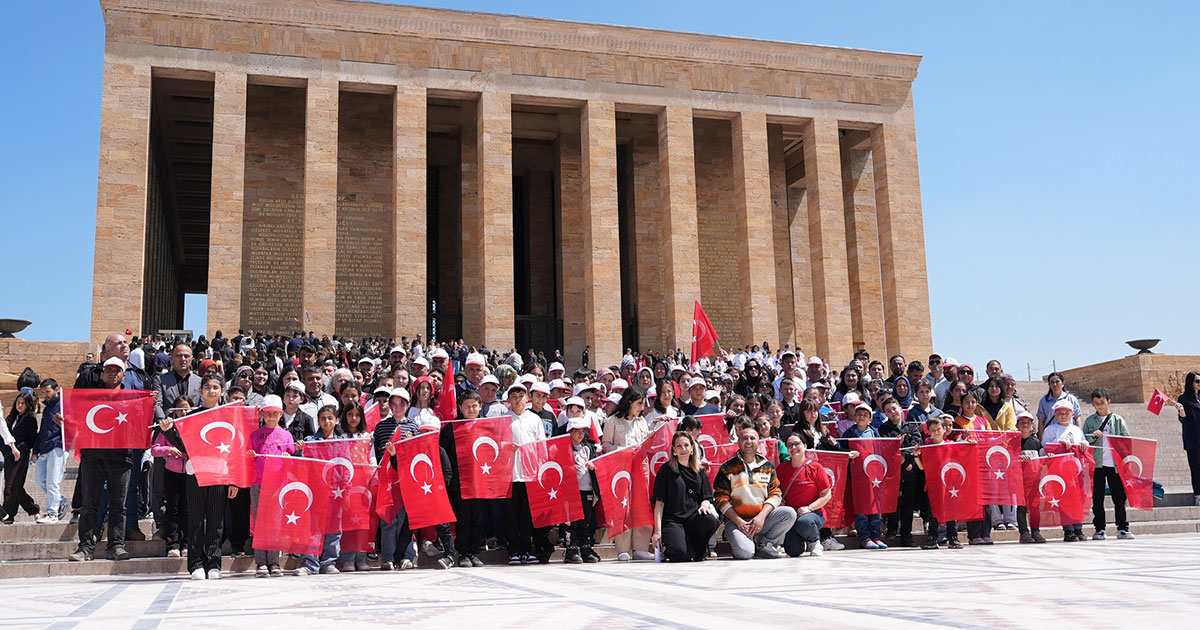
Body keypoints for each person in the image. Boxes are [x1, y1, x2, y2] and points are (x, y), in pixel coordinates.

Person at [69, 358, 135, 562]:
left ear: (124, 375)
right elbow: (75, 417)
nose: (113, 373)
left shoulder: (133, 400)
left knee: (118, 504)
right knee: (89, 503)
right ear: (102, 373)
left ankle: (116, 546)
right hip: (93, 455)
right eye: (109, 370)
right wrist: (64, 420)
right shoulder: (90, 398)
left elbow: (140, 423)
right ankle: (85, 548)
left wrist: (149, 402)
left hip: (121, 457)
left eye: (117, 370)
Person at [712, 418, 796, 560]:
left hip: (761, 519)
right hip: (737, 522)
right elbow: (721, 499)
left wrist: (760, 517)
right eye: (745, 438)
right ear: (738, 442)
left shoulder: (767, 466)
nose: (749, 441)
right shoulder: (728, 467)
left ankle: (764, 544)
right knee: (744, 554)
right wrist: (739, 521)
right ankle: (746, 543)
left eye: (752, 438)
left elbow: (775, 494)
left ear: (758, 442)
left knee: (789, 513)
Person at [602, 385, 653, 561]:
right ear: (629, 402)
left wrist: (650, 438)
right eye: (639, 403)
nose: (642, 407)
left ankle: (641, 548)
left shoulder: (642, 421)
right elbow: (605, 445)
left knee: (642, 505)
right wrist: (622, 450)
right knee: (623, 506)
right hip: (621, 469)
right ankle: (622, 548)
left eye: (643, 403)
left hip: (640, 467)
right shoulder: (612, 421)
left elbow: (645, 446)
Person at [651, 431, 720, 562]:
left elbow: (707, 498)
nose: (683, 449)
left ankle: (700, 547)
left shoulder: (700, 471)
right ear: (674, 450)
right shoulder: (666, 470)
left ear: (692, 448)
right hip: (673, 521)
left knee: (710, 519)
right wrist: (657, 532)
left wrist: (704, 506)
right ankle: (670, 547)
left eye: (686, 445)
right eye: (679, 446)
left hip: (693, 519)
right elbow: (659, 503)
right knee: (681, 555)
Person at [505, 383, 553, 564]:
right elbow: (497, 444)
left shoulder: (534, 419)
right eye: (514, 397)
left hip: (530, 474)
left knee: (527, 515)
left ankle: (526, 549)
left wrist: (541, 470)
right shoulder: (504, 419)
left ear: (527, 399)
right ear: (509, 400)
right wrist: (506, 446)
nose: (518, 400)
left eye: (521, 396)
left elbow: (542, 446)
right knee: (511, 515)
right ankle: (513, 551)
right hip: (510, 475)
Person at [249, 395, 294, 577]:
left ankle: (274, 562)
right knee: (260, 523)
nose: (271, 417)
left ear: (281, 414)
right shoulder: (255, 435)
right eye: (268, 414)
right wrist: (249, 455)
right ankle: (261, 562)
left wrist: (289, 457)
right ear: (261, 414)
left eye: (275, 413)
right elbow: (248, 458)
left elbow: (292, 460)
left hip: (277, 485)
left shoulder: (286, 435)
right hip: (258, 483)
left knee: (275, 523)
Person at [1082, 388, 1133, 540]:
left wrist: (1115, 440)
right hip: (1097, 464)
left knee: (1119, 497)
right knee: (1097, 498)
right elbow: (1084, 440)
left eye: (1102, 402)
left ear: (1108, 402)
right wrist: (1093, 436)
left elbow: (1126, 439)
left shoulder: (1117, 420)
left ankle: (1122, 528)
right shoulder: (1090, 421)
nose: (1100, 405)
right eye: (1096, 403)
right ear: (1092, 404)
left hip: (1114, 464)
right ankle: (1099, 529)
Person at [299, 405, 344, 574]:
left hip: (335, 492)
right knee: (312, 528)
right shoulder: (310, 441)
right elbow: (302, 465)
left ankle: (328, 562)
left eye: (330, 418)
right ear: (318, 421)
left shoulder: (342, 442)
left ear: (337, 420)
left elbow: (346, 467)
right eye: (323, 418)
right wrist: (299, 450)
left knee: (334, 529)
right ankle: (310, 563)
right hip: (315, 491)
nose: (327, 421)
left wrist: (345, 490)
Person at [878, 396, 926, 547]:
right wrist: (895, 445)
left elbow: (916, 444)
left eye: (894, 408)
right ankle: (892, 530)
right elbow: (884, 447)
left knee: (908, 505)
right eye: (888, 411)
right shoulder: (883, 429)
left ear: (900, 408)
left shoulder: (911, 427)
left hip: (909, 471)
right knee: (894, 501)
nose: (892, 412)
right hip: (892, 472)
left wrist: (905, 459)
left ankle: (907, 535)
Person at [776, 431, 830, 557]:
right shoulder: (781, 468)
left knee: (805, 522)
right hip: (792, 516)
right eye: (790, 445)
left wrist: (809, 508)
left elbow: (826, 495)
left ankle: (814, 542)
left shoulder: (816, 467)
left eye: (797, 444)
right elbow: (776, 491)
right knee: (793, 551)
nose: (793, 447)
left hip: (813, 513)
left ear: (805, 446)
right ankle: (802, 539)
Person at [913, 416, 963, 549]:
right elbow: (922, 467)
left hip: (949, 486)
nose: (936, 432)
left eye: (938, 429)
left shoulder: (951, 445)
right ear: (928, 432)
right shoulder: (927, 448)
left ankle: (953, 538)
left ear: (944, 429)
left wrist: (970, 444)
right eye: (933, 430)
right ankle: (932, 538)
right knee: (933, 512)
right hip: (934, 485)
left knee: (951, 511)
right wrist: (916, 455)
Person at [150, 396, 191, 558]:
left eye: (187, 408)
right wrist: (170, 450)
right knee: (172, 509)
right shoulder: (167, 427)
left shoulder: (194, 425)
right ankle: (172, 544)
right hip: (171, 472)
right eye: (180, 409)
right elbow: (155, 449)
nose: (184, 412)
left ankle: (186, 544)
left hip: (190, 472)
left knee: (187, 509)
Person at [1042, 399, 1086, 542]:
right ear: (1055, 414)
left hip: (1076, 470)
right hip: (1060, 471)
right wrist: (1058, 443)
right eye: (1060, 413)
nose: (1063, 415)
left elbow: (1083, 444)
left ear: (1072, 414)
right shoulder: (1050, 430)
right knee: (1064, 499)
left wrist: (1084, 443)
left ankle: (1078, 527)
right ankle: (1068, 529)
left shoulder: (1077, 430)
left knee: (1078, 499)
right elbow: (1045, 447)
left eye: (1067, 413)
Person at [565, 410, 601, 564]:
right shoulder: (563, 448)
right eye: (577, 431)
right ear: (570, 432)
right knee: (572, 522)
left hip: (587, 488)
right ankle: (571, 550)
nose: (581, 434)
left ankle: (585, 548)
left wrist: (594, 466)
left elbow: (598, 463)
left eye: (583, 431)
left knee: (586, 520)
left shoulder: (588, 448)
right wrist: (569, 468)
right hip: (571, 491)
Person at [2, 391, 41, 524]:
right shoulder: (11, 417)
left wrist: (19, 449)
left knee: (11, 486)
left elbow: (31, 439)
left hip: (20, 456)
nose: (19, 405)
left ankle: (8, 514)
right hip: (8, 455)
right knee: (16, 486)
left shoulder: (30, 419)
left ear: (28, 404)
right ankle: (33, 509)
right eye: (18, 403)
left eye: (22, 403)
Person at [1014, 412, 1046, 543]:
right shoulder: (1013, 443)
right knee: (1021, 507)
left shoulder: (1037, 442)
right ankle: (1023, 533)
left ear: (1032, 426)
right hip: (1019, 480)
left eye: (1028, 422)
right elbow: (1008, 459)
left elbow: (1043, 459)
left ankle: (1035, 531)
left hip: (1034, 480)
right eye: (1022, 422)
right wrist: (1019, 458)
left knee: (1035, 507)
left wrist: (1048, 456)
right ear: (1017, 425)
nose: (1025, 425)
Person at [1173, 372, 1200, 506]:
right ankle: (1198, 495)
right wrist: (1181, 411)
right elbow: (1183, 419)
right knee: (1196, 468)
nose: (1199, 384)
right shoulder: (1184, 399)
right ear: (1191, 383)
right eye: (1197, 381)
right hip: (1193, 440)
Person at [1035, 372, 1081, 436]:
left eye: (1057, 381)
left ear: (1063, 383)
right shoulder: (1044, 401)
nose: (1055, 384)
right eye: (1052, 382)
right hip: (1051, 436)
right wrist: (1041, 439)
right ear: (1049, 384)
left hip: (1069, 435)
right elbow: (1041, 421)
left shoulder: (1071, 399)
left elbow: (1077, 418)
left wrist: (1079, 436)